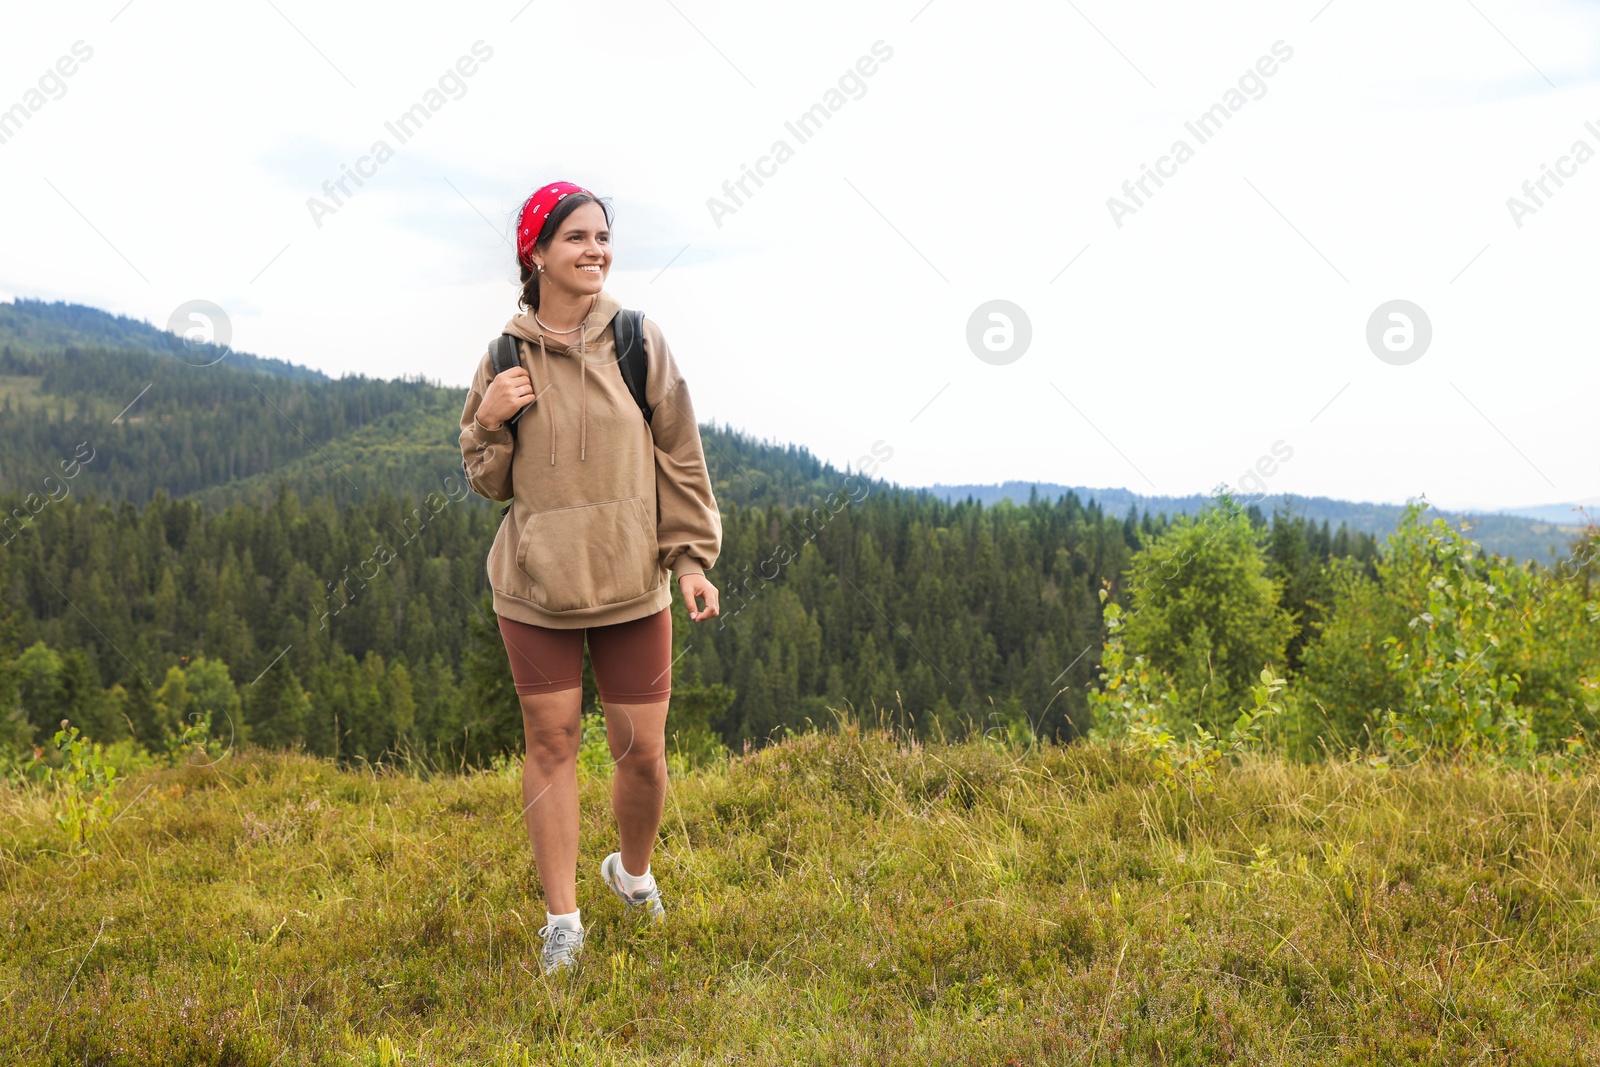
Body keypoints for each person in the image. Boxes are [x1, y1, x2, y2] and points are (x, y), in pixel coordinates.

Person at [458, 181, 722, 976]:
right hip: (537, 589)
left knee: (641, 750)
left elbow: (679, 452)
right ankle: (563, 920)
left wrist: (691, 557)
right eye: (577, 237)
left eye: (603, 236)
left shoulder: (638, 340)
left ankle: (632, 875)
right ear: (535, 253)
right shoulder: (504, 356)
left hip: (632, 581)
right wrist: (489, 420)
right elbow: (487, 480)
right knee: (553, 744)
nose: (596, 250)